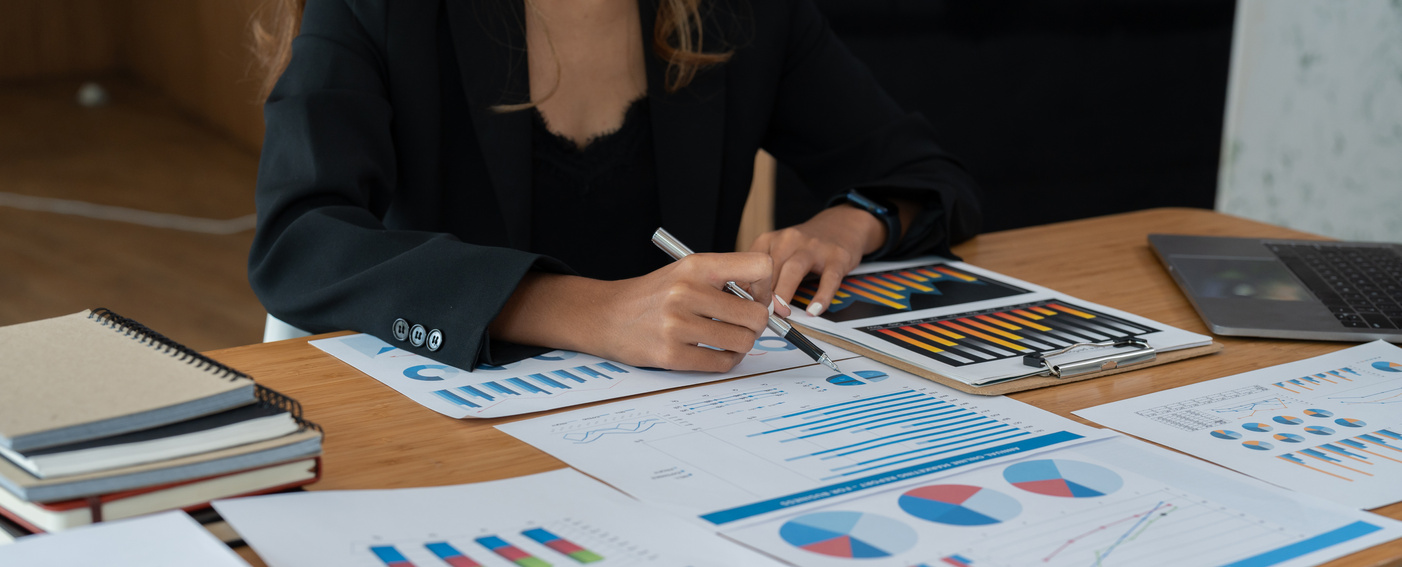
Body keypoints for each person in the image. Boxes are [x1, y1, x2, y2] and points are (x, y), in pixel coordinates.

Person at [248, 0, 981, 373]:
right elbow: (300, 242)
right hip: (451, 438)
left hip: (684, 439)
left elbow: (917, 170)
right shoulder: (378, 8)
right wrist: (592, 311)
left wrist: (852, 221)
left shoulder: (740, 10)